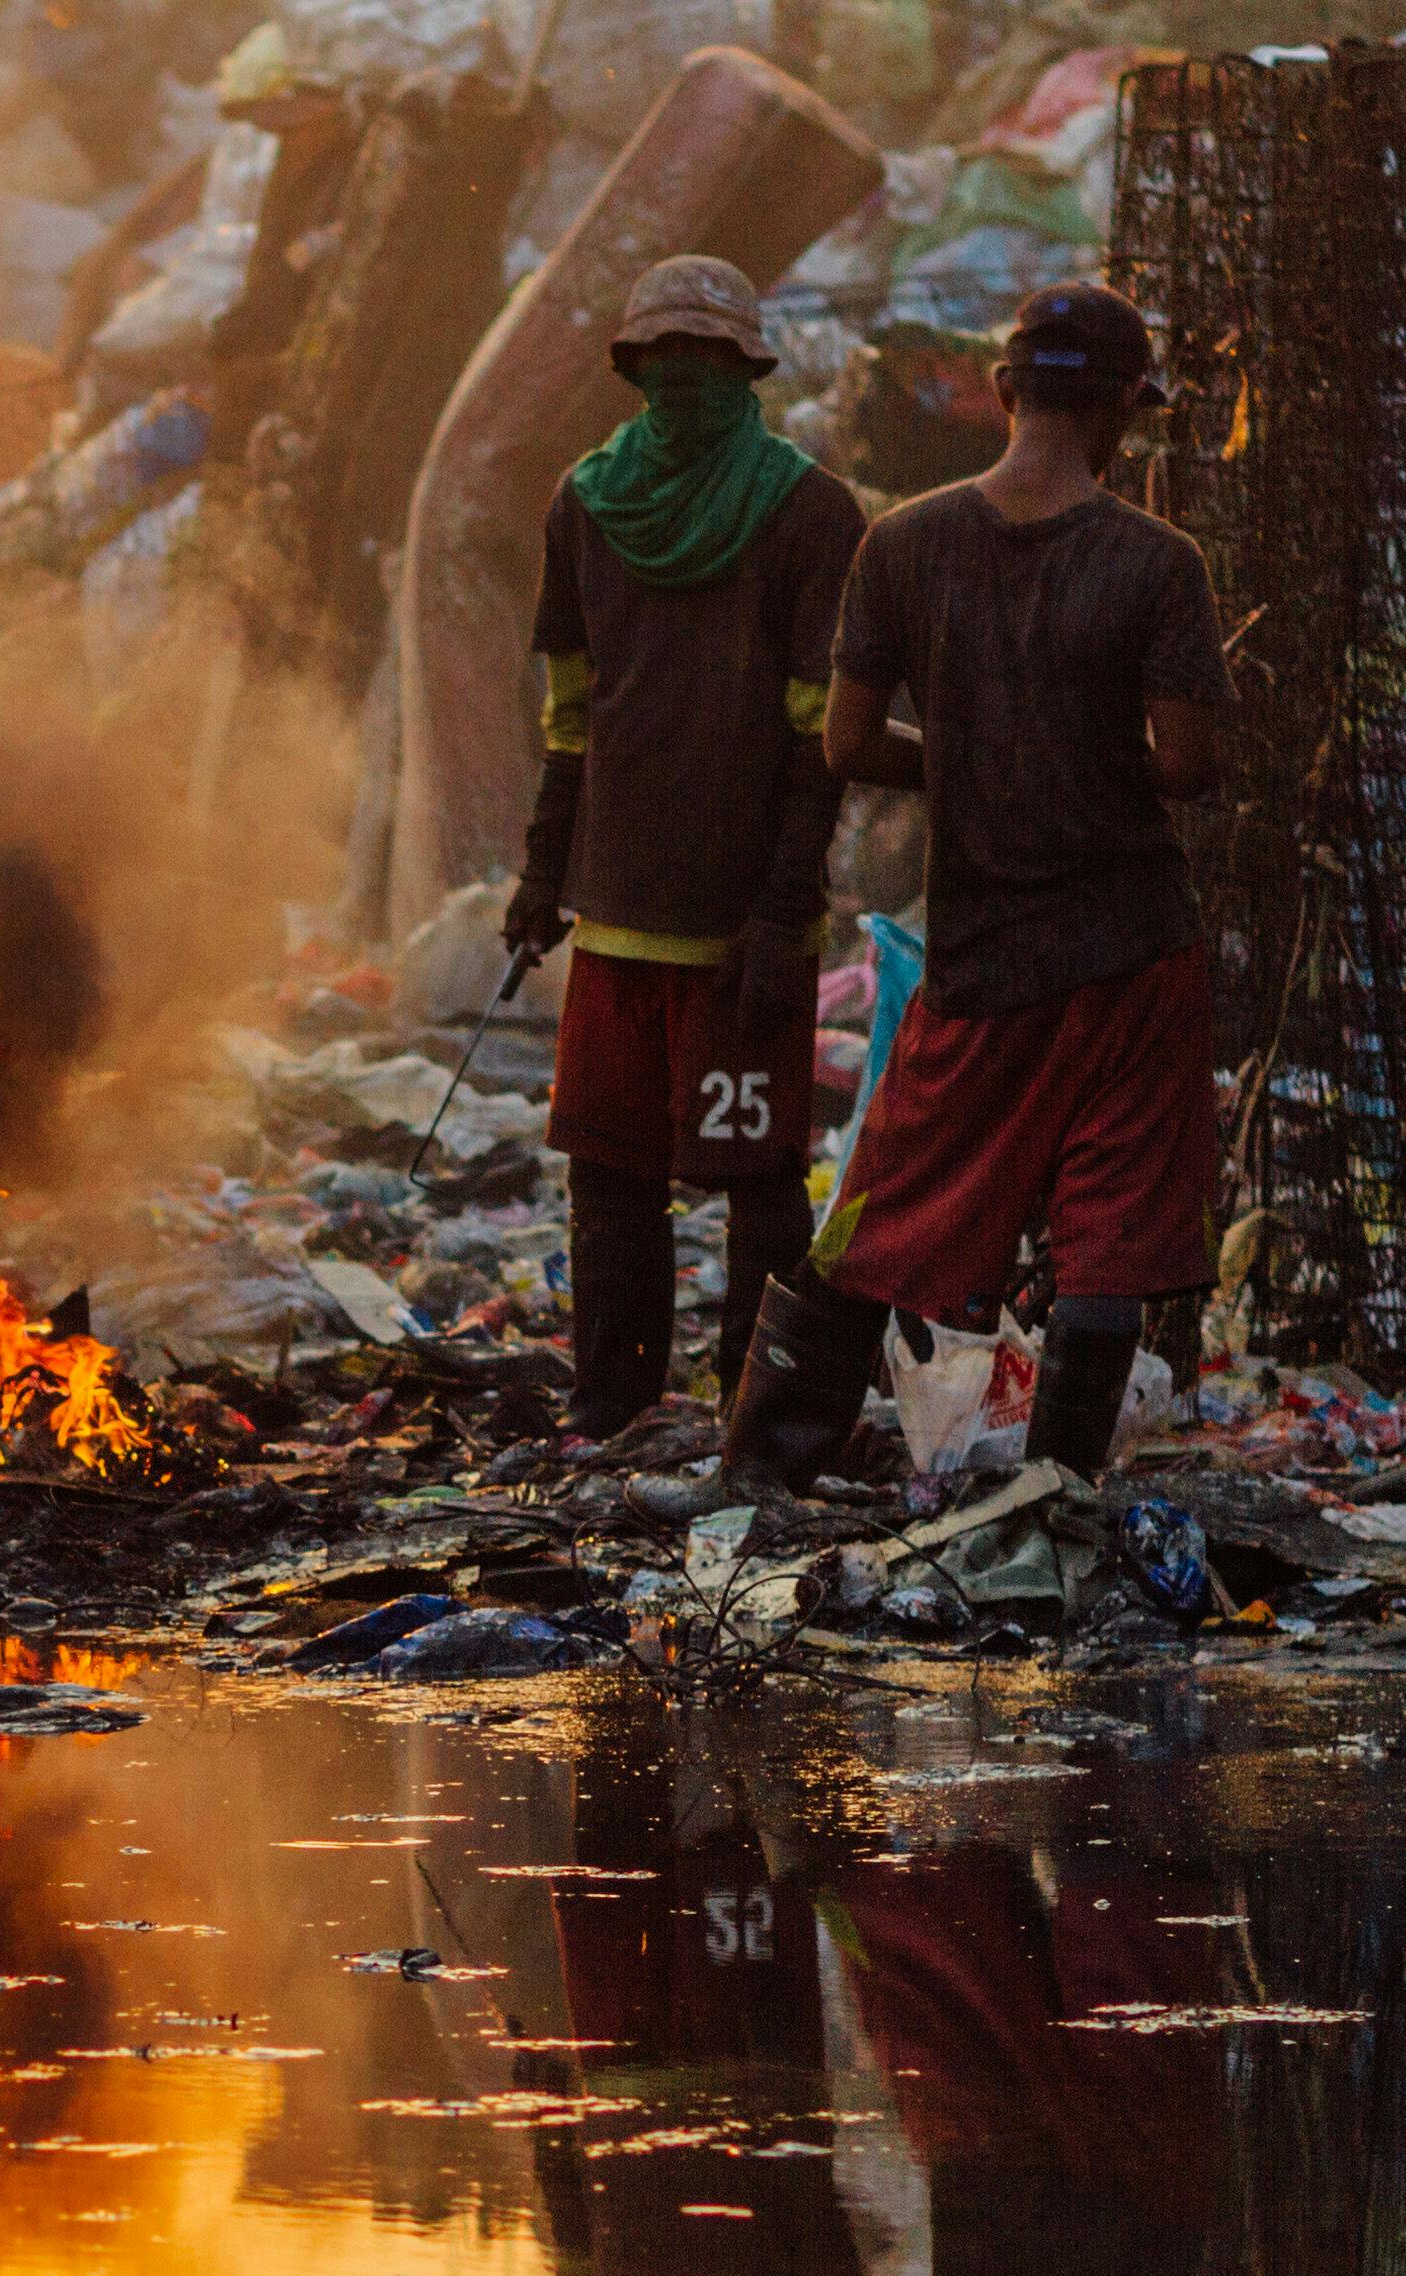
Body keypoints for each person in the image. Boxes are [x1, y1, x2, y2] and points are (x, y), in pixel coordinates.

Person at [688, 282, 1229, 1501]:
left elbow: (842, 742)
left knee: (881, 1197)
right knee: (1109, 1228)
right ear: (1119, 417)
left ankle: (755, 1469)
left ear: (1002, 395)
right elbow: (1192, 766)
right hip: (1133, 949)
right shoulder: (1157, 564)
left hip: (982, 952)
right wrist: (1077, 757)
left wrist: (969, 759)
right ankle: (1055, 1503)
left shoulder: (903, 544)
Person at [503, 257, 861, 1440]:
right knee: (608, 1175)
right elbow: (570, 716)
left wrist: (780, 910)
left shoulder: (811, 513)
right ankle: (612, 1408)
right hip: (612, 913)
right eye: (663, 360)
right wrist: (537, 878)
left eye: (702, 361)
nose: (681, 380)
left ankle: (752, 1417)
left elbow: (821, 735)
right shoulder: (584, 503)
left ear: (743, 368)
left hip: (741, 928)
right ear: (632, 369)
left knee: (756, 1179)